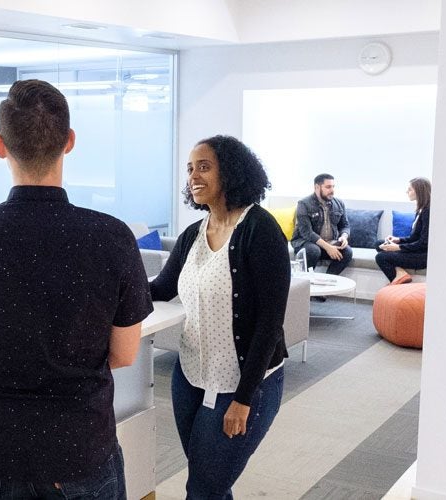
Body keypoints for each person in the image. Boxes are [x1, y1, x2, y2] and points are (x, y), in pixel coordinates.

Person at [0, 79, 153, 500]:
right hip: (83, 450)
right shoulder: (112, 237)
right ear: (69, 142)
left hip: (0, 453)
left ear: (0, 146)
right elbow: (124, 355)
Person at [149, 135, 289, 499]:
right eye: (191, 168)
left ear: (231, 172)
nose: (194, 175)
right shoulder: (193, 234)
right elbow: (161, 288)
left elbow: (269, 324)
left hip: (243, 386)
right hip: (190, 377)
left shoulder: (260, 231)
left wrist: (244, 399)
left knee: (203, 487)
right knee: (210, 482)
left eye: (204, 167)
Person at [293, 173, 353, 276]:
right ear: (317, 187)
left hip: (329, 242)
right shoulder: (303, 204)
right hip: (306, 243)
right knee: (313, 250)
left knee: (347, 252)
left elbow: (345, 226)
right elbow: (306, 232)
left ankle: (328, 279)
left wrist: (344, 237)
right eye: (328, 187)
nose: (332, 190)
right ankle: (306, 282)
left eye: (333, 186)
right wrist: (328, 247)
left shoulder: (339, 203)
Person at [376, 177, 431, 281]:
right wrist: (399, 240)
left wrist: (398, 247)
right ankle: (401, 274)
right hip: (416, 250)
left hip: (422, 256)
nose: (407, 192)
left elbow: (423, 243)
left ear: (419, 191)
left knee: (381, 257)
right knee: (379, 244)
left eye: (410, 189)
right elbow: (414, 237)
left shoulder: (428, 212)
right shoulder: (421, 209)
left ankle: (401, 285)